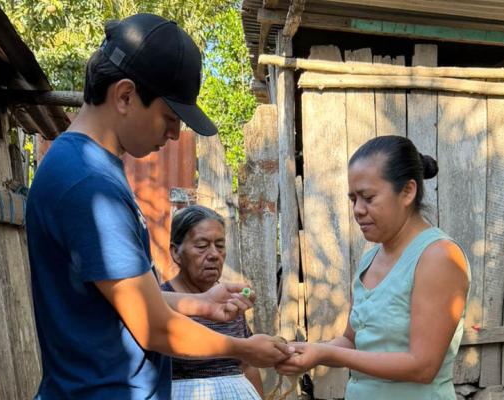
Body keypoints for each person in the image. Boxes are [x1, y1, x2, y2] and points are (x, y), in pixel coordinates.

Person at [25, 14, 289, 399]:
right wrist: (245, 349)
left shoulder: (84, 168)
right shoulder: (89, 185)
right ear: (126, 96)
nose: (174, 133)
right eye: (169, 116)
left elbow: (122, 303)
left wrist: (199, 303)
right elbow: (153, 327)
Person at [276, 136, 470, 400]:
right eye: (353, 199)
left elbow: (423, 366)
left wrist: (326, 353)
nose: (357, 210)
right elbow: (351, 341)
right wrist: (304, 351)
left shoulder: (439, 257)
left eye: (368, 197)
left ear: (407, 192)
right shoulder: (370, 259)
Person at [161, 205, 264, 399]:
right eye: (201, 246)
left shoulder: (231, 300)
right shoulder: (161, 300)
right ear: (176, 253)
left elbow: (247, 366)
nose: (214, 254)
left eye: (220, 245)